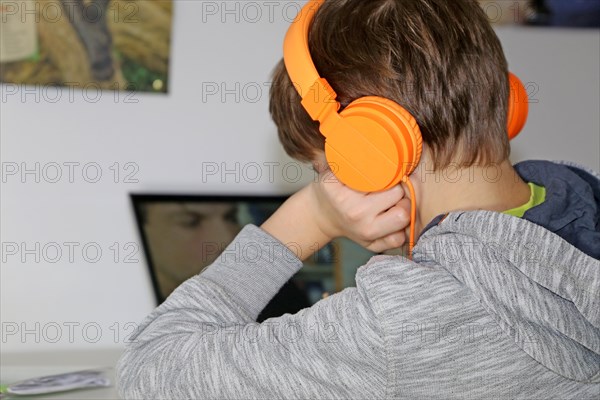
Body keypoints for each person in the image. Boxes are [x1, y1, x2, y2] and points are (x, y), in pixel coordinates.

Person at [116, 0, 600, 398]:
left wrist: (309, 217)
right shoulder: (587, 202)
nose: (335, 191)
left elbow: (148, 370)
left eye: (331, 173)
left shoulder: (401, 325)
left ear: (376, 151)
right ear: (505, 102)